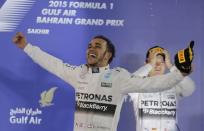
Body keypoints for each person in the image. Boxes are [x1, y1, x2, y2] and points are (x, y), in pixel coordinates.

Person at [12, 32, 192, 131]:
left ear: (108, 55)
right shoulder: (79, 74)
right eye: (90, 46)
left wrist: (180, 73)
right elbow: (53, 64)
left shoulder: (118, 77)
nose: (91, 48)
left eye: (97, 46)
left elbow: (153, 84)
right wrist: (27, 47)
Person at [129, 46, 195, 131]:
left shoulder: (173, 83)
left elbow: (190, 88)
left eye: (162, 62)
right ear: (146, 63)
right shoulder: (138, 85)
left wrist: (171, 66)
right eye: (153, 61)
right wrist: (149, 66)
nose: (157, 65)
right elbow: (128, 81)